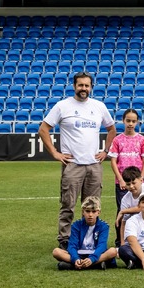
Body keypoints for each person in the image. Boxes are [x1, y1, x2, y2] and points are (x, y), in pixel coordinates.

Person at [38, 72, 116, 247]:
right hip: (72, 165)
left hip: (94, 165)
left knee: (92, 206)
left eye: (87, 86)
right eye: (80, 85)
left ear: (91, 87)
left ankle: (89, 240)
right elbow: (43, 129)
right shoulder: (62, 106)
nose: (84, 89)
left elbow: (112, 129)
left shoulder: (99, 106)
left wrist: (105, 151)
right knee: (68, 205)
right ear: (74, 86)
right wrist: (55, 153)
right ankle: (65, 240)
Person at [52, 196, 117, 270]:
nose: (90, 215)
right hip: (79, 254)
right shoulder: (76, 225)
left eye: (94, 211)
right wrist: (75, 258)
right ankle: (94, 265)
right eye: (88, 211)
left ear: (98, 212)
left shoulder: (104, 226)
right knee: (56, 252)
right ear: (83, 212)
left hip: (95, 254)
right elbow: (72, 245)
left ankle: (76, 265)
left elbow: (102, 245)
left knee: (113, 251)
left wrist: (92, 259)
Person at [108, 108, 144, 216]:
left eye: (133, 121)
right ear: (123, 120)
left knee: (140, 210)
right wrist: (120, 179)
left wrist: (141, 178)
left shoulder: (142, 139)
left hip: (137, 182)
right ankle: (121, 233)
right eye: (128, 121)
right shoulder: (117, 139)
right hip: (122, 183)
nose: (130, 124)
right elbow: (113, 161)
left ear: (137, 122)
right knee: (122, 211)